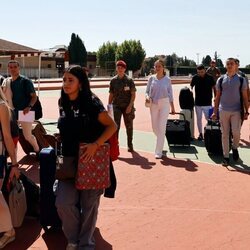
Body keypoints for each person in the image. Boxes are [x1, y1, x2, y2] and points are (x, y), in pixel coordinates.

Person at [55, 65, 117, 250]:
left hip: (90, 161)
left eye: (70, 80)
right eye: (64, 79)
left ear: (80, 84)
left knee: (89, 206)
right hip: (67, 162)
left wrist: (96, 145)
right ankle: (73, 239)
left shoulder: (91, 102)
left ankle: (85, 244)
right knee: (63, 202)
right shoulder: (62, 102)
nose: (66, 84)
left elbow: (112, 126)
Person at [211, 58, 249, 166]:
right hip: (223, 111)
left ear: (236, 65)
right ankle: (226, 156)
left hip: (237, 111)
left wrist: (247, 111)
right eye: (227, 64)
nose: (229, 65)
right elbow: (217, 97)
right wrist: (215, 112)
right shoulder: (220, 79)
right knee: (224, 134)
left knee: (236, 132)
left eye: (231, 64)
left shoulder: (241, 80)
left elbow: (245, 97)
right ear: (225, 66)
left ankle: (235, 147)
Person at [2, 60, 40, 155]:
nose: (13, 69)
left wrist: (29, 107)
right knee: (13, 136)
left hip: (25, 112)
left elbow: (34, 97)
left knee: (27, 136)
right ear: (8, 68)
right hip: (12, 112)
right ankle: (14, 158)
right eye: (11, 67)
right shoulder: (7, 81)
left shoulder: (25, 81)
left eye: (15, 67)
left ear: (19, 68)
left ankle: (37, 150)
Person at [0, 88, 20, 248]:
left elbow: (7, 136)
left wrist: (14, 164)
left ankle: (9, 231)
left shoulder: (1, 106)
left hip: (26, 115)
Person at [145, 59, 175, 159]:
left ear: (163, 67)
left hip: (165, 104)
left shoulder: (168, 80)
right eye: (156, 66)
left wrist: (173, 107)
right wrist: (147, 97)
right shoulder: (151, 78)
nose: (157, 68)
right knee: (154, 128)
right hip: (153, 104)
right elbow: (147, 91)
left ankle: (158, 151)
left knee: (161, 127)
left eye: (159, 66)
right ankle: (161, 139)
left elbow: (170, 94)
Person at [108, 60, 136, 152]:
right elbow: (111, 94)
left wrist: (130, 106)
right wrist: (109, 107)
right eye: (118, 67)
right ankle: (115, 145)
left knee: (129, 126)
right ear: (116, 68)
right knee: (116, 127)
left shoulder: (129, 80)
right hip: (116, 106)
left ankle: (130, 145)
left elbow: (133, 94)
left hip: (127, 106)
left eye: (122, 68)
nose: (120, 69)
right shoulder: (113, 81)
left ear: (125, 69)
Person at [190, 64, 216, 140]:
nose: (200, 73)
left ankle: (208, 132)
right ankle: (200, 134)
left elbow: (214, 88)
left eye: (201, 72)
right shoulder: (195, 77)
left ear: (205, 70)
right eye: (198, 72)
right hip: (197, 103)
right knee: (199, 119)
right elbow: (191, 86)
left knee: (209, 119)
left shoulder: (210, 78)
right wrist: (191, 91)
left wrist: (216, 97)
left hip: (207, 102)